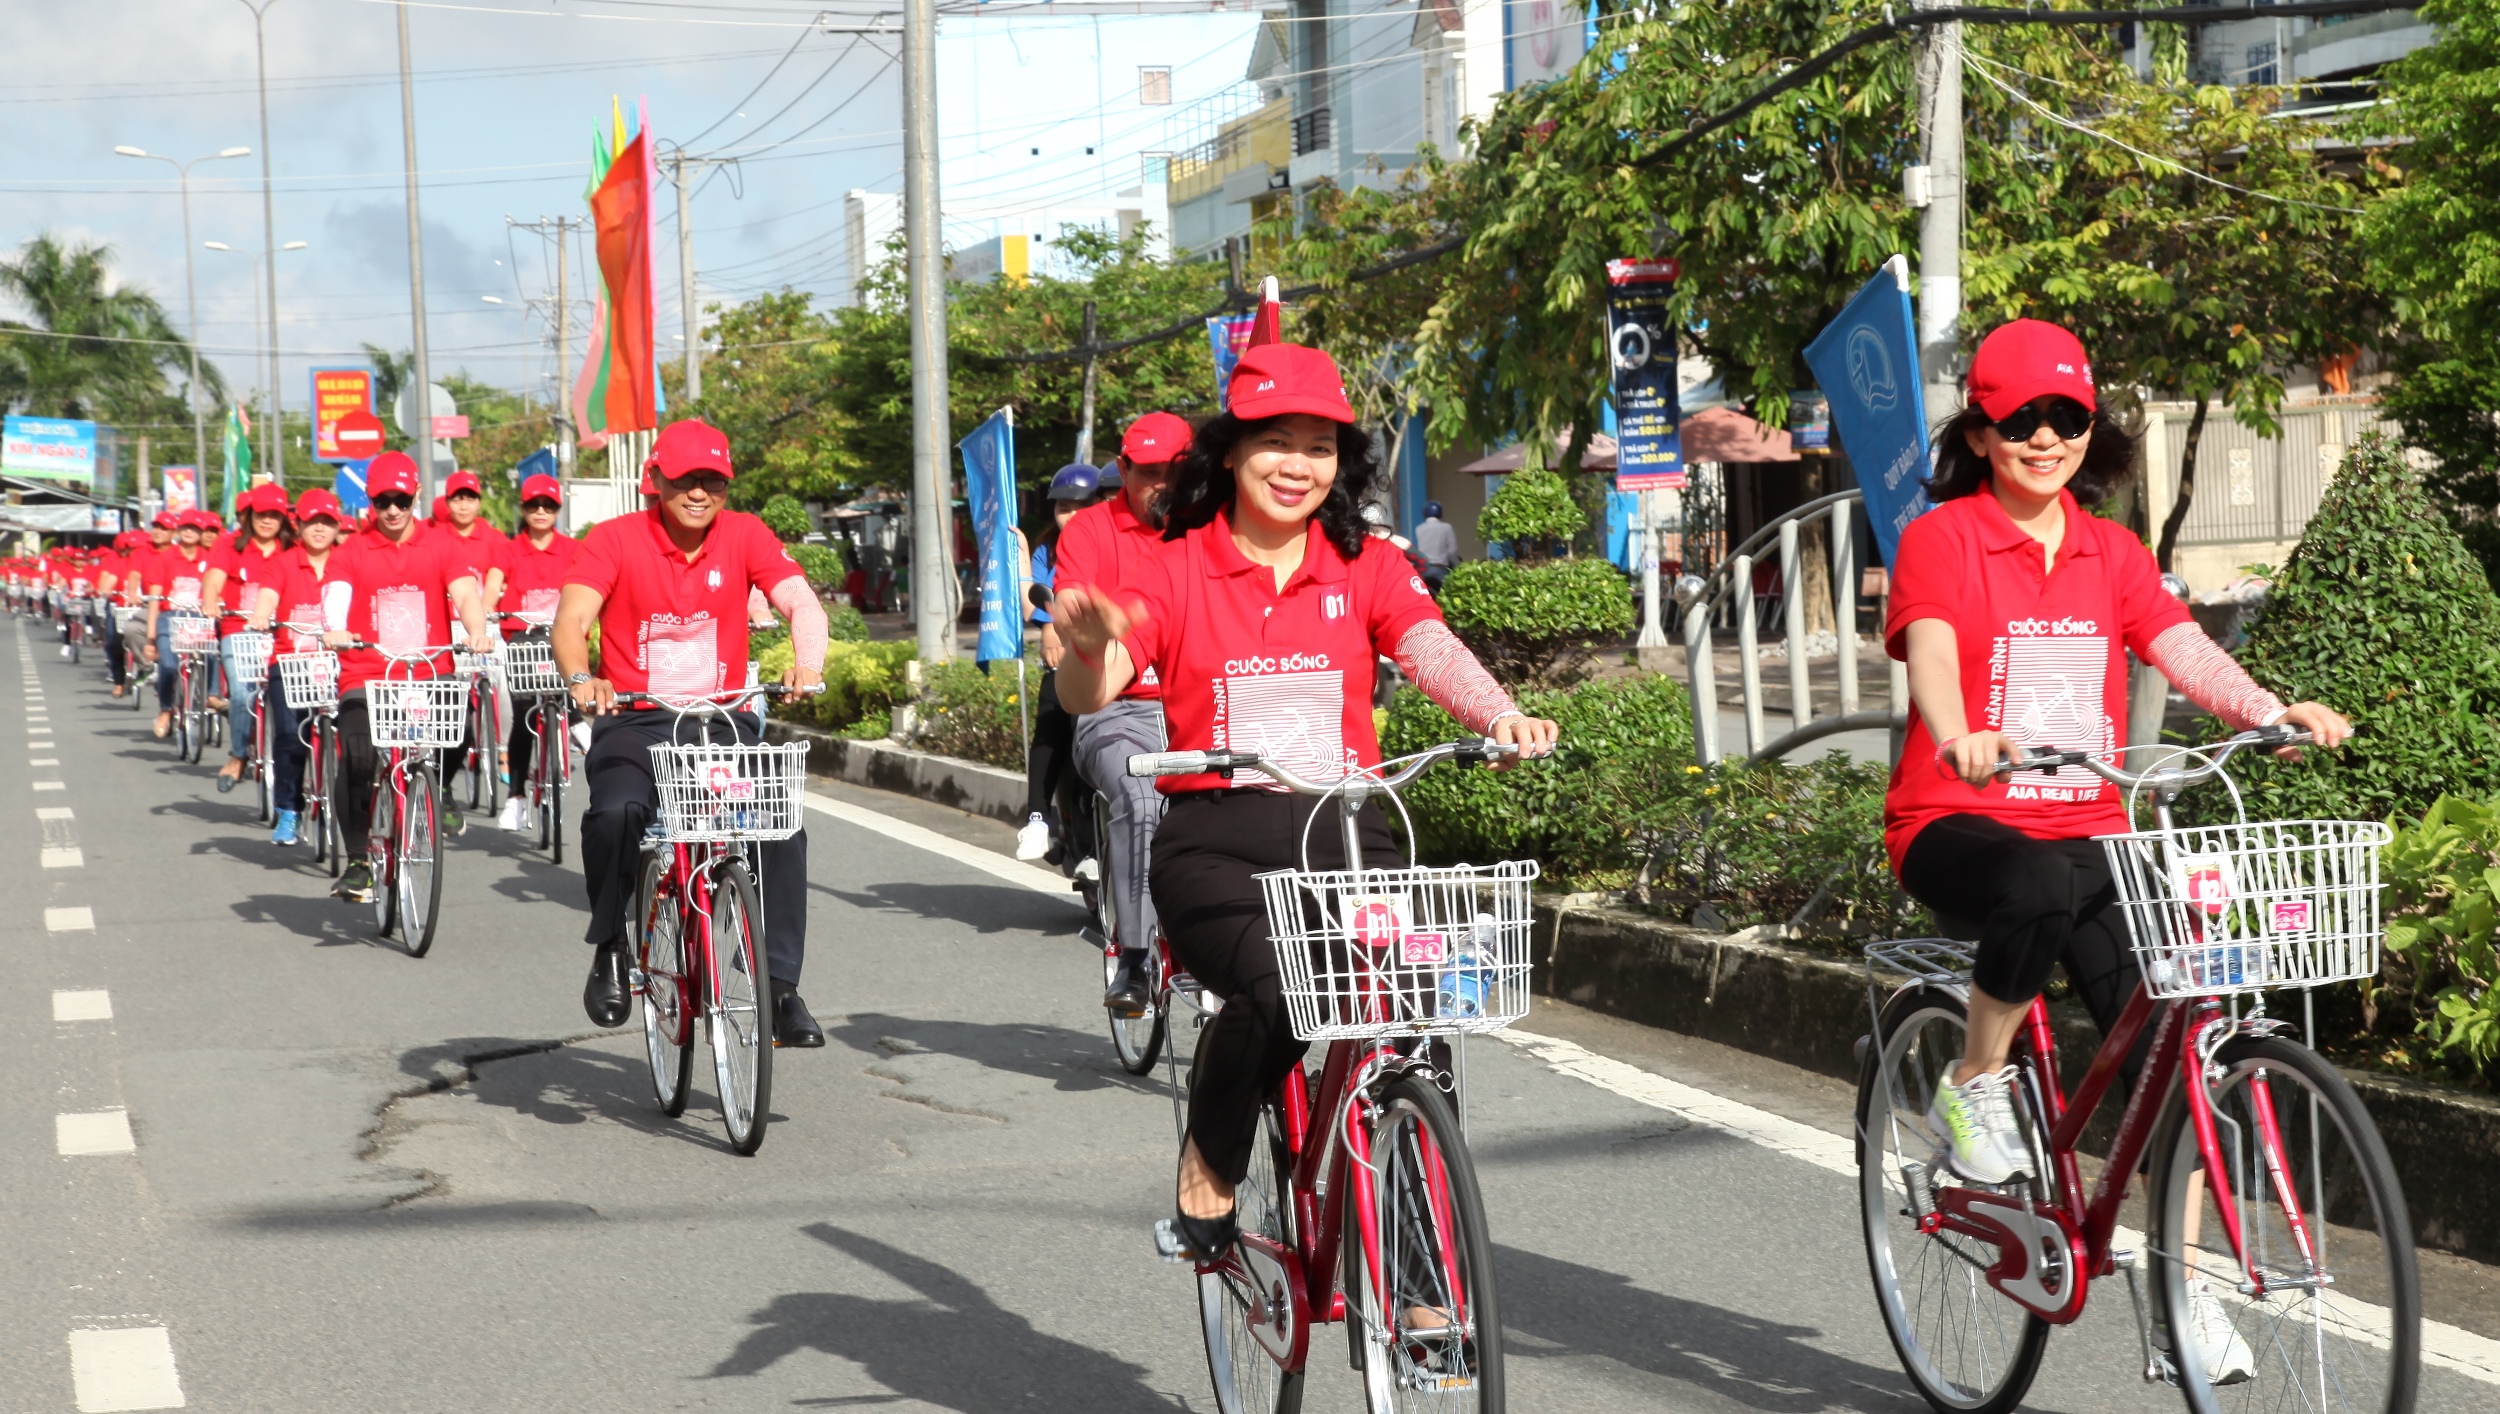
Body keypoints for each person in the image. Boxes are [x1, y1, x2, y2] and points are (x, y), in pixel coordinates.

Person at [1051, 342, 1559, 1257]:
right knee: (1283, 983)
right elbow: (1099, 688)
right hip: (1217, 845)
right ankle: (1210, 1163)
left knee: (1414, 1008)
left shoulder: (1365, 562)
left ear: (1343, 463)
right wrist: (1088, 652)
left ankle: (1417, 1261)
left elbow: (1427, 644)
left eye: (1319, 447)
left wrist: (1501, 712)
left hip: (1354, 837)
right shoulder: (1172, 566)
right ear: (1233, 454)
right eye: (1276, 443)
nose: (1298, 466)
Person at [1884, 318, 2353, 1188]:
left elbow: (2180, 646)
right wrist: (1957, 737)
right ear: (1982, 434)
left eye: (2068, 415)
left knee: (2169, 1072)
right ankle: (1975, 1080)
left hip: (2092, 828)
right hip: (1956, 818)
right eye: (2022, 420)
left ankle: (2191, 1293)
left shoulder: (2114, 550)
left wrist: (2262, 711)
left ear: (2092, 428)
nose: (2046, 438)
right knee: (2033, 882)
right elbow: (1934, 652)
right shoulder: (1942, 538)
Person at [553, 419, 831, 1048]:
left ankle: (780, 987)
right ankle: (611, 946)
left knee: (779, 825)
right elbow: (571, 619)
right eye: (685, 480)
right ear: (656, 481)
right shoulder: (614, 539)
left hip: (721, 722)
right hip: (635, 718)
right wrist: (581, 677)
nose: (700, 493)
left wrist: (807, 661)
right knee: (616, 813)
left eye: (713, 481)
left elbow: (801, 603)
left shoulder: (746, 535)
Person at [1055, 413, 1195, 1012]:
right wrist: (1081, 627)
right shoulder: (1090, 531)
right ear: (1125, 469)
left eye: (1175, 472)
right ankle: (1134, 959)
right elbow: (1069, 602)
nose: (1162, 484)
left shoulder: (1210, 530)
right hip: (1116, 711)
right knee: (1140, 796)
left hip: (1201, 708)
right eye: (1149, 473)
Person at [318, 452, 498, 903]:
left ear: (416, 495)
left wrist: (477, 632)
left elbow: (464, 594)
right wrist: (334, 629)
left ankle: (437, 791)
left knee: (462, 726)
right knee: (358, 756)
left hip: (429, 669)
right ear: (371, 502)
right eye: (383, 501)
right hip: (366, 673)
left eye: (401, 499)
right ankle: (359, 860)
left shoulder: (442, 545)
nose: (393, 510)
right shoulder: (351, 550)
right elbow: (336, 597)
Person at [1014, 463, 1108, 864]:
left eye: (1079, 507)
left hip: (1110, 661)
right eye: (1062, 508)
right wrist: (1020, 557)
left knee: (1097, 745)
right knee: (1052, 722)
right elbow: (1031, 604)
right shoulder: (1046, 550)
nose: (1069, 516)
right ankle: (1037, 818)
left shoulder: (1113, 543)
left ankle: (1095, 843)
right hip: (1067, 665)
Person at [249, 488, 348, 846]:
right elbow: (269, 594)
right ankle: (289, 810)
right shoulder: (283, 562)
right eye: (312, 522)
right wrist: (263, 614)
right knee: (290, 736)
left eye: (327, 522)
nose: (320, 529)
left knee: (355, 737)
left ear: (337, 526)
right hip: (290, 663)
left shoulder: (348, 560)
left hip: (340, 663)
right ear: (299, 525)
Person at [483, 472, 577, 832]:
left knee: (569, 693)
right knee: (524, 712)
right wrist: (489, 607)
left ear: (557, 509)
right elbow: (493, 585)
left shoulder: (572, 550)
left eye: (548, 505)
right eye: (534, 505)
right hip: (522, 640)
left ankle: (574, 734)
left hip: (562, 637)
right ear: (523, 509)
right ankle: (517, 797)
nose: (541, 511)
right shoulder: (508, 549)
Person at [202, 484, 297, 793]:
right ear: (249, 516)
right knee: (242, 694)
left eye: (274, 515)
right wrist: (211, 600)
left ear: (284, 519)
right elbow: (213, 579)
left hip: (284, 634)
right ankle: (238, 755)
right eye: (261, 514)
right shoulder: (230, 544)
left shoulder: (294, 548)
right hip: (237, 631)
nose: (267, 521)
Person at [144, 511, 216, 739]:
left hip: (198, 619)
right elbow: (155, 600)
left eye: (194, 528)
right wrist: (151, 638)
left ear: (200, 533)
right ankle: (166, 708)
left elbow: (217, 591)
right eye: (185, 527)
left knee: (212, 654)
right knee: (167, 665)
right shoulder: (164, 558)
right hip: (170, 618)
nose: (189, 532)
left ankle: (210, 697)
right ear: (178, 531)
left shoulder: (210, 559)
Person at [1414, 499, 1459, 590]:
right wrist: (1457, 565)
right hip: (1440, 569)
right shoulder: (1446, 527)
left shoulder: (1419, 529)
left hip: (1424, 570)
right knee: (1447, 595)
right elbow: (1452, 551)